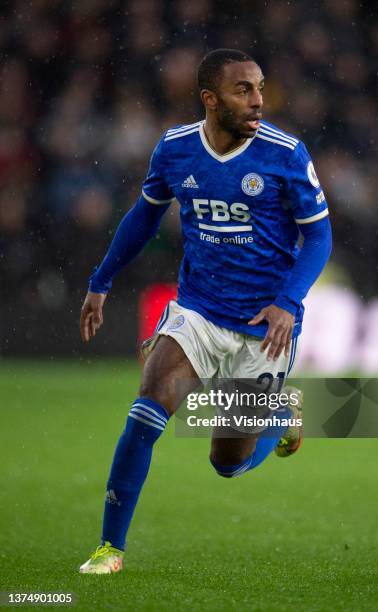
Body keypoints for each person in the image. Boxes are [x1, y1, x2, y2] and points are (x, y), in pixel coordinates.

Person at [78, 49, 332, 574]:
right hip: (197, 309)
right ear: (210, 100)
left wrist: (288, 302)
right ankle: (110, 549)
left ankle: (282, 415)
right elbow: (143, 219)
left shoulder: (285, 154)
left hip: (263, 326)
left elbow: (319, 235)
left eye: (260, 87)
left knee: (225, 463)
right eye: (244, 90)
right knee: (147, 410)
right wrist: (100, 281)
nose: (258, 100)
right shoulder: (175, 149)